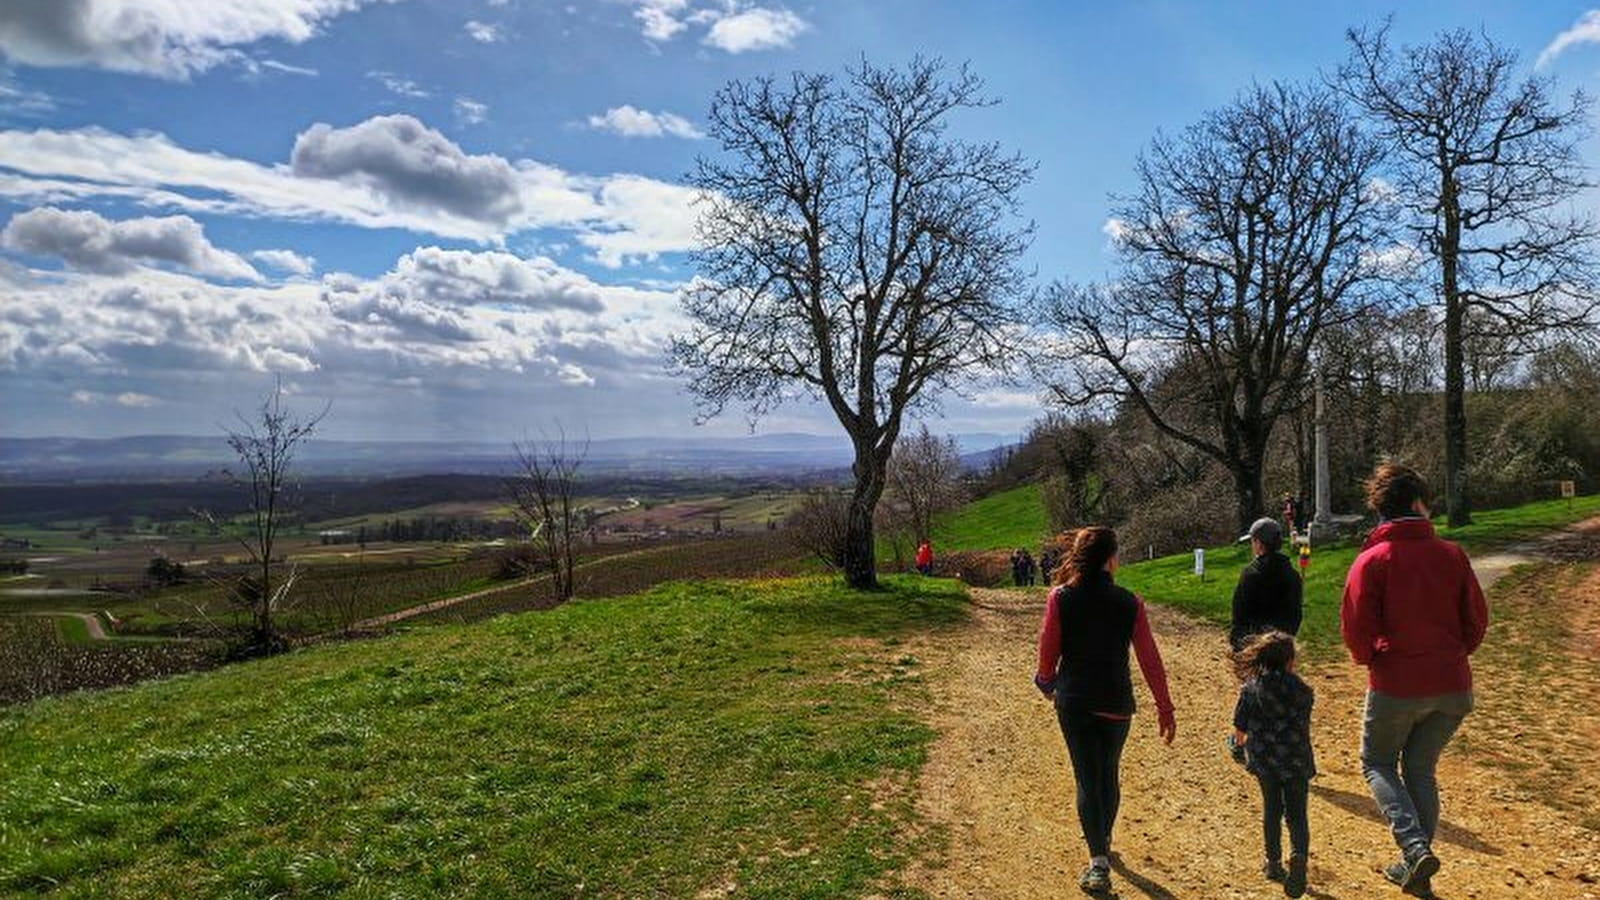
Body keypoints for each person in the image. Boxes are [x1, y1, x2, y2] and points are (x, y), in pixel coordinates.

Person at [1340, 463, 1487, 898]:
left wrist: (1372, 659)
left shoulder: (1372, 561)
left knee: (1377, 763)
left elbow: (1355, 628)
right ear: (1419, 504)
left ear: (1380, 508)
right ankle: (1415, 865)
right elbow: (1476, 620)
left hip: (1396, 683)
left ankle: (1413, 846)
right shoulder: (1452, 555)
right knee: (1421, 767)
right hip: (1452, 684)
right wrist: (1453, 655)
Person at [1034, 526, 1177, 895]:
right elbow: (1150, 659)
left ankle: (1097, 862)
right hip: (1116, 702)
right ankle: (1105, 837)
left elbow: (1048, 651)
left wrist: (1047, 683)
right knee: (1108, 773)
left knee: (1086, 777)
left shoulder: (1061, 597)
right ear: (1112, 559)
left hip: (1075, 701)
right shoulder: (1130, 602)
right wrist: (1165, 707)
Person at [1231, 630, 1316, 898]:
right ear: (1290, 661)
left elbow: (1239, 730)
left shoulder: (1251, 689)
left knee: (1272, 809)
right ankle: (1299, 855)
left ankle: (1274, 863)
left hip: (1265, 761)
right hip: (1297, 760)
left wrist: (1237, 747)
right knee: (1297, 814)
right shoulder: (1304, 691)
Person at [1230, 517, 1304, 651]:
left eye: (1252, 541)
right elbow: (1296, 614)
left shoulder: (1251, 574)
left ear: (1258, 543)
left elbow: (1240, 613)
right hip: (1283, 645)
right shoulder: (1292, 574)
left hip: (1255, 646)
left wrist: (1237, 643)